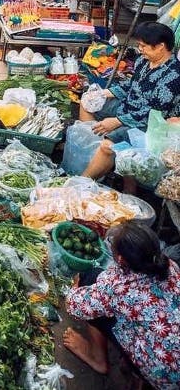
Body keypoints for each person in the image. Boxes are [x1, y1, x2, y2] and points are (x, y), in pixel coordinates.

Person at [65, 221, 180, 389]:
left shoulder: (120, 288)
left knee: (88, 280)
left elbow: (74, 306)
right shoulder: (170, 266)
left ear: (120, 258)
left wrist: (76, 287)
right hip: (172, 359)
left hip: (163, 375)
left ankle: (98, 359)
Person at [81, 22, 180, 181]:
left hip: (148, 124)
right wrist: (103, 93)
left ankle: (83, 181)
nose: (140, 50)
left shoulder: (173, 76)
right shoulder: (143, 61)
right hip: (127, 108)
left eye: (143, 46)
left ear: (160, 47)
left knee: (107, 146)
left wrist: (117, 121)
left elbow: (154, 114)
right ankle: (94, 153)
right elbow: (130, 85)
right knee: (87, 103)